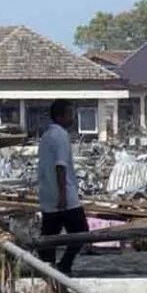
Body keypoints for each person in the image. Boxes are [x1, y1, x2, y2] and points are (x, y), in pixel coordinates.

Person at [36, 99, 89, 273]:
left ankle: (48, 269)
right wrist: (63, 194)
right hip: (64, 194)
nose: (72, 119)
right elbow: (60, 166)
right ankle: (64, 265)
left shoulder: (46, 136)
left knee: (49, 236)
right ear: (60, 116)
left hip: (47, 194)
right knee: (81, 232)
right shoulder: (60, 135)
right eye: (69, 114)